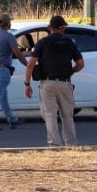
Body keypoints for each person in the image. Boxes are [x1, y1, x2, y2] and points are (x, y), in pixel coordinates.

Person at [23, 15, 84, 147]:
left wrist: (27, 84)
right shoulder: (69, 42)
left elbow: (30, 64)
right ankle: (72, 144)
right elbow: (80, 64)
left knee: (50, 115)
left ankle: (54, 145)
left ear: (50, 28)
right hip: (65, 82)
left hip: (47, 83)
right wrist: (71, 71)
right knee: (67, 116)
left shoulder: (42, 43)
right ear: (62, 28)